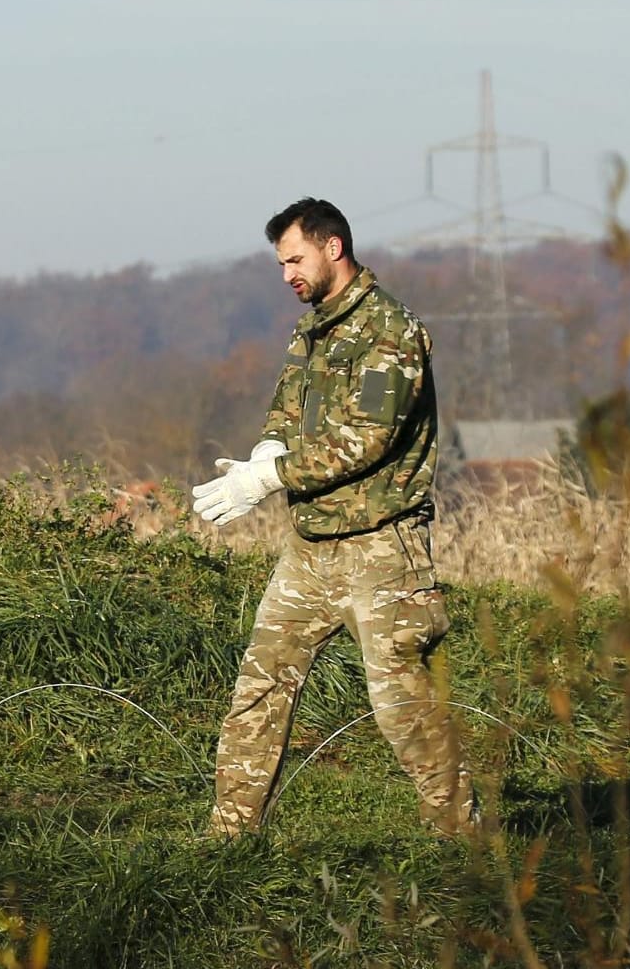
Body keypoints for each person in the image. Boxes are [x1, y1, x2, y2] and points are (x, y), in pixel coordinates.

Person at [193, 198, 474, 836]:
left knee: (401, 706)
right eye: (281, 263)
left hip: (382, 550)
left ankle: (462, 835)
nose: (287, 273)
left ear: (332, 248)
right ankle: (229, 836)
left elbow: (367, 440)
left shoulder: (390, 331)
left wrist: (270, 478)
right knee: (259, 688)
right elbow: (287, 411)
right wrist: (264, 452)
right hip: (312, 548)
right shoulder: (313, 329)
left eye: (295, 258)